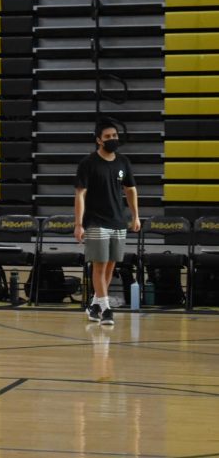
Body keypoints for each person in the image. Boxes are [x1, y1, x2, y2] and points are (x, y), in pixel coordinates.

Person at [74, 118, 140, 326]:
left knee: (110, 267)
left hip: (118, 221)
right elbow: (80, 194)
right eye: (108, 137)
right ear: (99, 140)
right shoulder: (88, 163)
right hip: (95, 221)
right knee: (99, 266)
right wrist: (78, 223)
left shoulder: (123, 162)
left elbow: (130, 189)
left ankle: (94, 306)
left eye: (115, 136)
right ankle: (106, 308)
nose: (112, 139)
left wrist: (135, 215)